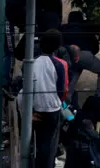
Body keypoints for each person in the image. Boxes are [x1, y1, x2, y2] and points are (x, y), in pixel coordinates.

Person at [24, 30, 68, 168]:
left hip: (34, 108)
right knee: (47, 143)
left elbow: (25, 87)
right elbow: (62, 90)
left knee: (31, 140)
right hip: (52, 109)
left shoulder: (30, 63)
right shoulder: (59, 64)